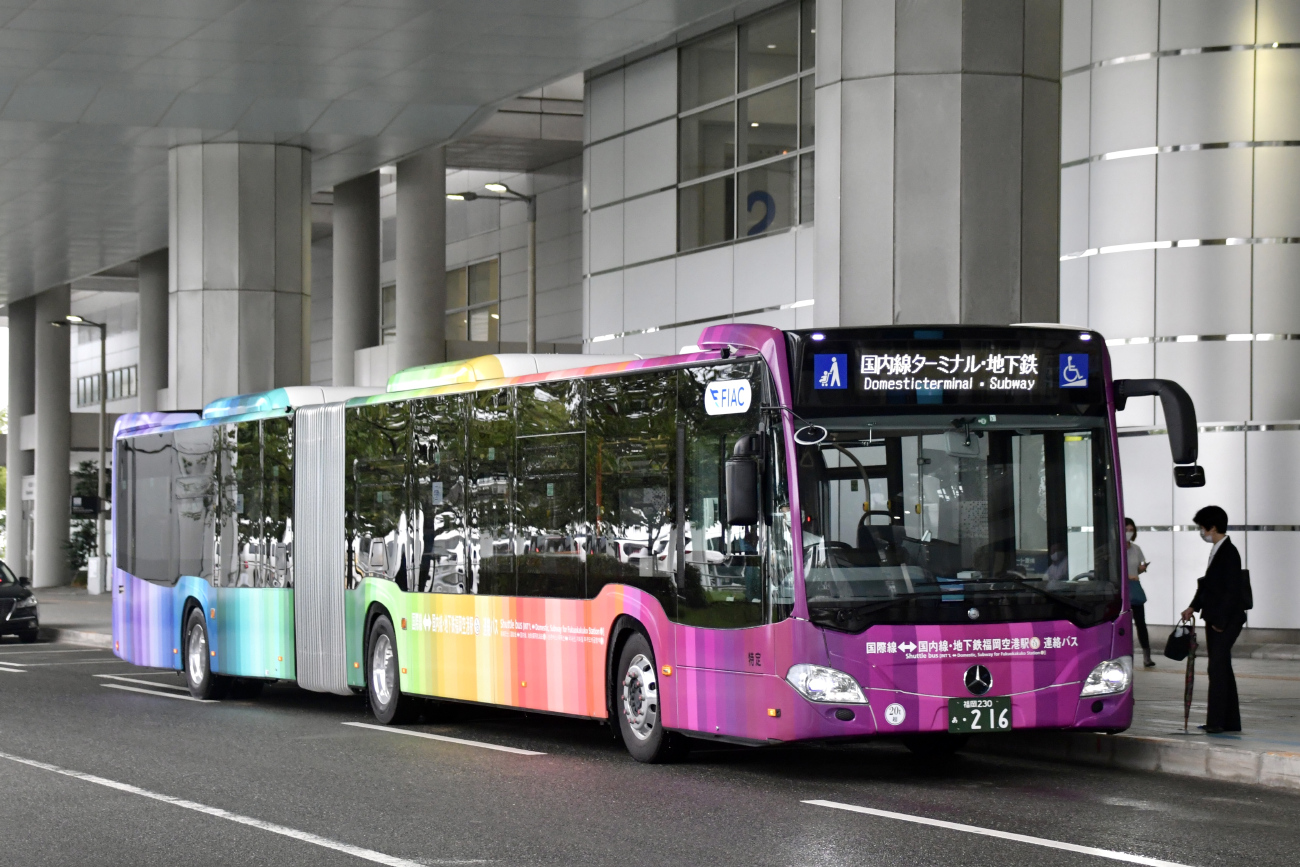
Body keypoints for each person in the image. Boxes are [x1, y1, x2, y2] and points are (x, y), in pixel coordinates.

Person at [1180, 505, 1247, 734]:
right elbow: (1208, 585)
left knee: (1217, 668)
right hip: (1217, 617)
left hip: (1225, 620)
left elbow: (1231, 591)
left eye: (1202, 527)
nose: (1201, 532)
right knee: (1222, 667)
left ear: (1213, 527)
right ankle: (1230, 722)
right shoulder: (1218, 550)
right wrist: (1193, 606)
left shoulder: (1229, 552)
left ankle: (1216, 722)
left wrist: (1221, 621)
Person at [1125, 518, 1154, 667]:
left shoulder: (1136, 549)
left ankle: (1146, 656)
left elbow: (1140, 566)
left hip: (1134, 588)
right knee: (1124, 624)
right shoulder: (1116, 548)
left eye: (1131, 530)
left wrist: (1141, 569)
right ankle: (1124, 654)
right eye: (1126, 530)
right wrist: (1129, 576)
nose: (1129, 533)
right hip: (1122, 591)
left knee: (1141, 623)